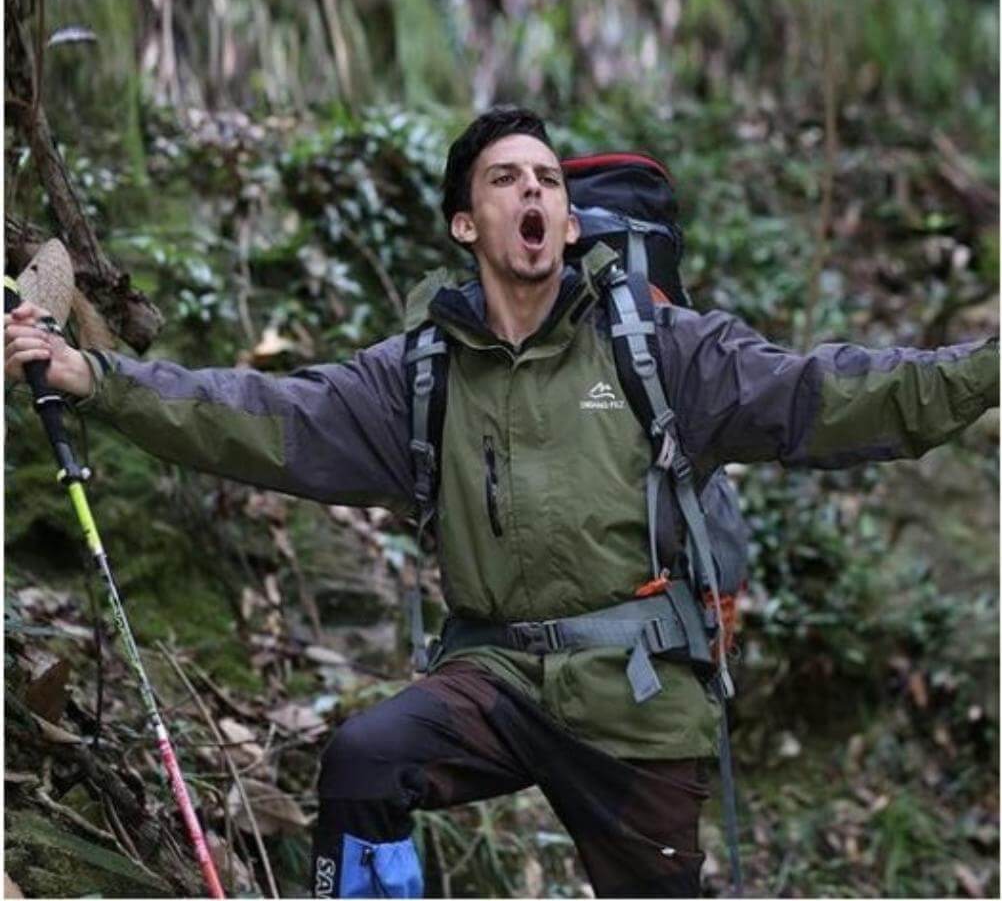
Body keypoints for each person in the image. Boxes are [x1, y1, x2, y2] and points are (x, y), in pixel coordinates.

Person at [5, 107, 998, 899]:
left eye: (549, 180)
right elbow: (265, 415)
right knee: (363, 760)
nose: (533, 190)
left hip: (638, 699)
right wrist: (97, 380)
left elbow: (836, 395)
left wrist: (983, 370)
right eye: (506, 177)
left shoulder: (664, 351)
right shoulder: (421, 376)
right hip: (497, 677)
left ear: (569, 222)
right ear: (465, 222)